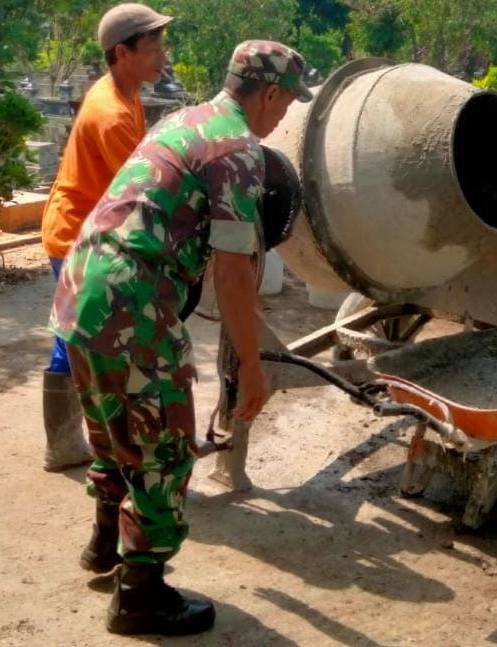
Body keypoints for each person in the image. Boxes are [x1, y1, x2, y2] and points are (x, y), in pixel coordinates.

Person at [50, 40, 312, 635]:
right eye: (287, 103)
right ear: (269, 93)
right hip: (131, 307)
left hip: (80, 288)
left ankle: (102, 544)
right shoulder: (240, 149)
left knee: (113, 424)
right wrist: (251, 365)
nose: (285, 116)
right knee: (165, 451)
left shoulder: (184, 119)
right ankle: (140, 594)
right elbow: (233, 270)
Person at [40, 3, 172, 472]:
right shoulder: (111, 113)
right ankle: (66, 445)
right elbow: (138, 193)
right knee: (81, 340)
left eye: (162, 45)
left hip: (85, 225)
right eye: (153, 47)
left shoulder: (126, 91)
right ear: (122, 52)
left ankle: (72, 443)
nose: (163, 56)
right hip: (77, 233)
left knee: (78, 338)